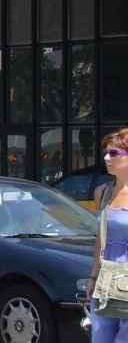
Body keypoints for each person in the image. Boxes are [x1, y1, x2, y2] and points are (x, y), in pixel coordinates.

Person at [89, 128, 128, 343]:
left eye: (114, 153)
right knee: (101, 337)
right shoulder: (102, 192)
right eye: (105, 152)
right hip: (106, 281)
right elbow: (100, 239)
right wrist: (93, 277)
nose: (106, 158)